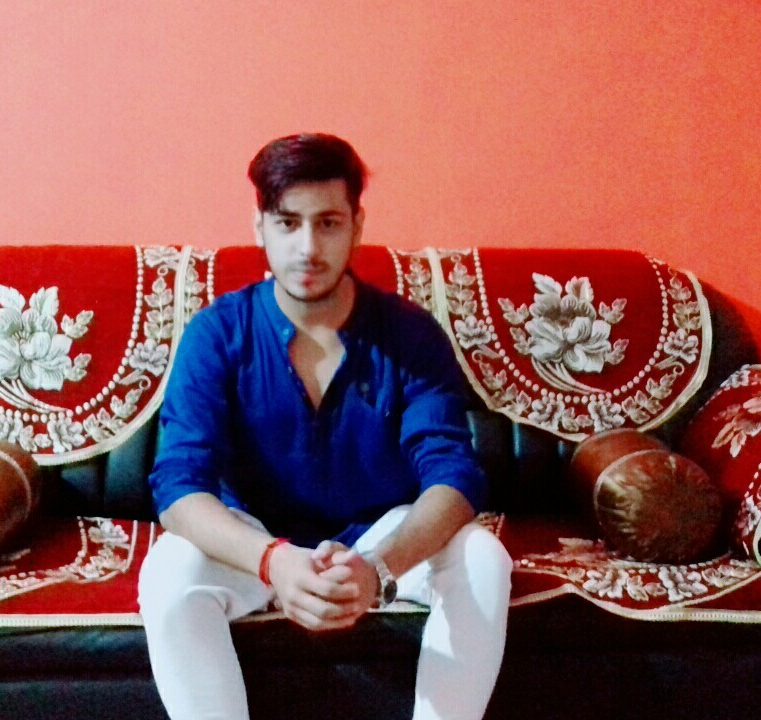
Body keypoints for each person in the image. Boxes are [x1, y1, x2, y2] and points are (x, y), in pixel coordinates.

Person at [138, 133, 512, 720]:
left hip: (377, 539)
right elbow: (179, 487)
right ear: (260, 227)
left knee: (483, 558)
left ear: (357, 226)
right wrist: (274, 560)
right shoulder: (216, 334)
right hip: (253, 543)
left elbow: (454, 476)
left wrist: (378, 568)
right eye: (288, 223)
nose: (308, 248)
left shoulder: (411, 334)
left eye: (328, 223)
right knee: (170, 570)